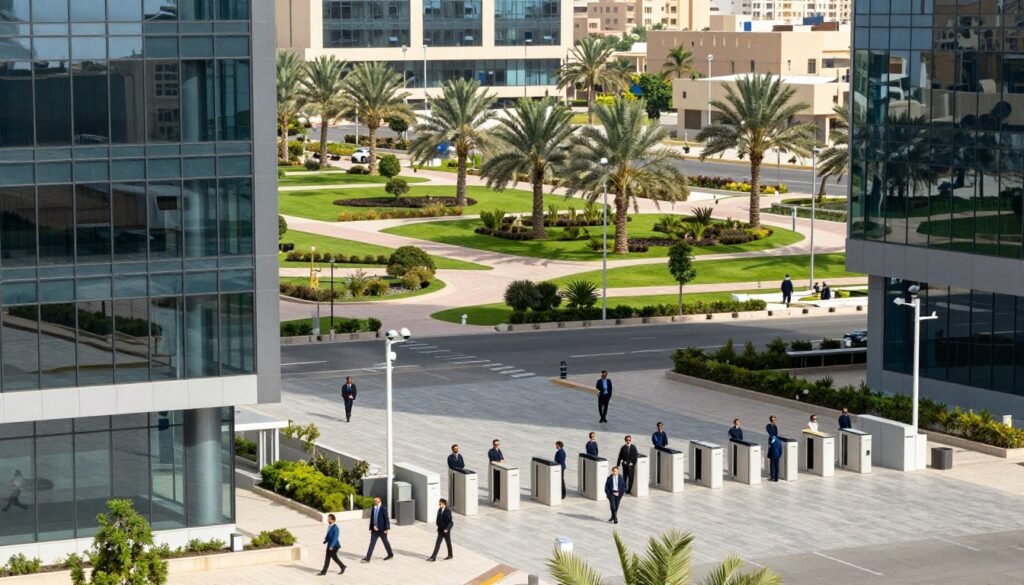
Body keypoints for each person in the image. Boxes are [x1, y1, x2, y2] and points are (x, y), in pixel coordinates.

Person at [362, 496, 393, 562]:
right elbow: (372, 518)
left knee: (385, 542)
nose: (374, 502)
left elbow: (386, 519)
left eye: (375, 500)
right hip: (374, 530)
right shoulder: (374, 508)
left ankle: (390, 554)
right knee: (372, 543)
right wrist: (372, 526)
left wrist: (387, 528)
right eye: (374, 501)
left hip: (382, 530)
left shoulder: (383, 509)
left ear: (379, 501)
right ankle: (368, 558)